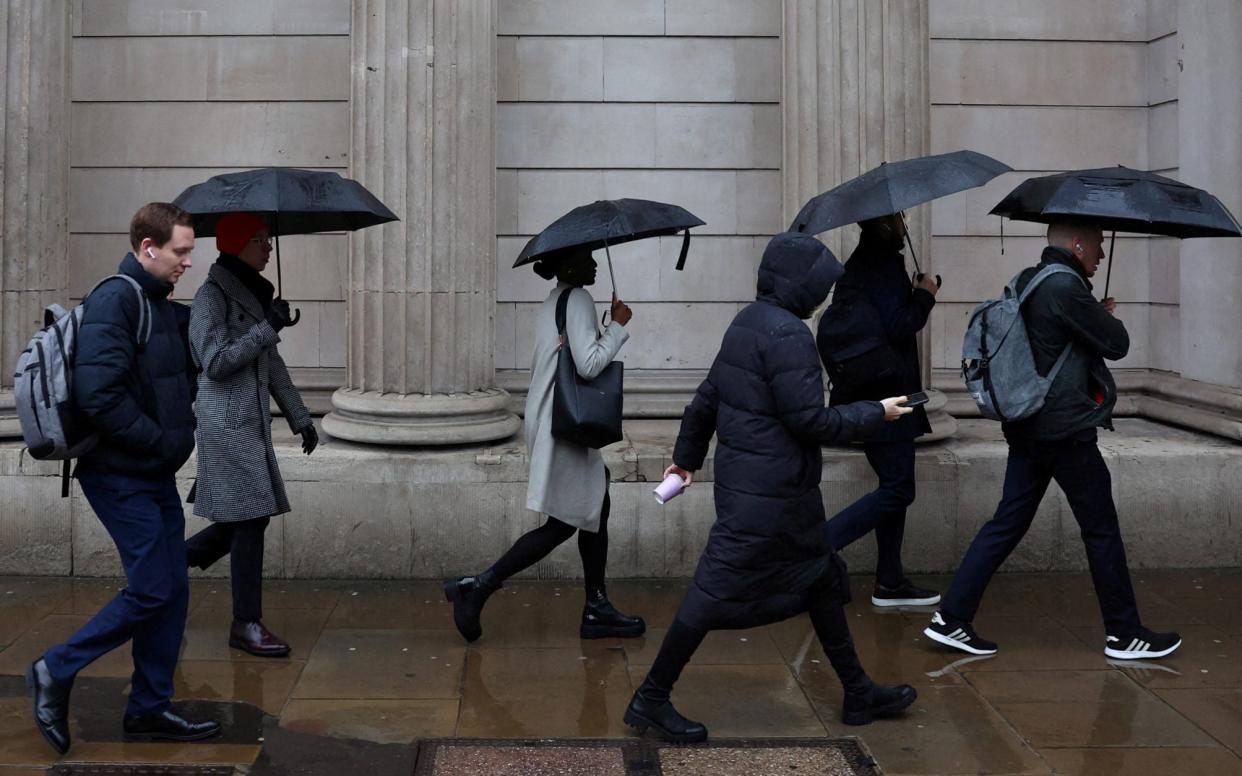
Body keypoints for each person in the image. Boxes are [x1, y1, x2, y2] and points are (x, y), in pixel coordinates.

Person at [624, 232, 918, 743]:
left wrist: (686, 460)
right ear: (799, 286)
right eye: (819, 286)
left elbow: (704, 401)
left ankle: (857, 690)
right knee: (710, 594)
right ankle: (650, 698)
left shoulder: (748, 322)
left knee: (824, 577)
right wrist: (879, 412)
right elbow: (811, 421)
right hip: (768, 499)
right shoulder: (788, 335)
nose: (825, 295)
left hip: (770, 492)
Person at [924, 219, 1182, 660]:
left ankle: (951, 618)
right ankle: (1124, 633)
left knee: (1007, 521)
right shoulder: (1066, 286)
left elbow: (1054, 341)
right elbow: (1117, 344)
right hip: (1063, 430)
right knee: (1101, 529)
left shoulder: (1031, 279)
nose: (1101, 254)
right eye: (1098, 244)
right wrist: (1101, 316)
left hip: (1029, 425)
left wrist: (1091, 313)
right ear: (1078, 244)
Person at [27, 203, 220, 754]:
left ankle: (149, 709)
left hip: (150, 473)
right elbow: (100, 395)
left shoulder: (159, 304)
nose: (189, 261)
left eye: (191, 251)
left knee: (173, 590)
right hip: (119, 474)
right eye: (181, 251)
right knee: (153, 588)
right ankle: (54, 668)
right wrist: (158, 440)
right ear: (147, 248)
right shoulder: (117, 299)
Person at [443, 247, 644, 642]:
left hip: (552, 420)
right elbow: (587, 365)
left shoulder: (555, 300)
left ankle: (596, 604)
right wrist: (618, 327)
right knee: (565, 522)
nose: (595, 264)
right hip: (565, 426)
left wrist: (604, 330)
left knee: (595, 502)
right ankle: (479, 586)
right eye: (587, 258)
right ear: (569, 266)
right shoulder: (579, 299)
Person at [185, 213, 317, 657]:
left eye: (268, 239)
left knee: (246, 518)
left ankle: (171, 564)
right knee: (250, 518)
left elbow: (270, 364)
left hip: (249, 420)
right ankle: (246, 623)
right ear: (239, 244)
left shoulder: (254, 295)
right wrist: (267, 328)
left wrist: (301, 417)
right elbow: (215, 361)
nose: (269, 248)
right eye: (261, 240)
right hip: (225, 423)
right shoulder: (211, 297)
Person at [820, 214, 942, 607]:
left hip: (869, 389)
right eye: (900, 216)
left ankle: (890, 580)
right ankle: (819, 546)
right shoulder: (884, 262)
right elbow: (899, 323)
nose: (907, 221)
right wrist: (924, 294)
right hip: (888, 394)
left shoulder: (860, 262)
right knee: (899, 488)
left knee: (894, 483)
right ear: (886, 225)